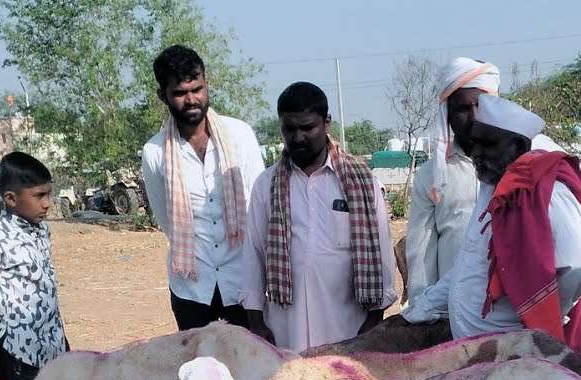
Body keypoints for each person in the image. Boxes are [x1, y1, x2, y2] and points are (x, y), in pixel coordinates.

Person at [395, 94, 581, 352]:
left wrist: (544, 313)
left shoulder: (548, 190)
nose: (476, 153)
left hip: (517, 351)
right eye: (475, 144)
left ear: (517, 146)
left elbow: (579, 268)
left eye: (488, 144)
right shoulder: (491, 185)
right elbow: (469, 263)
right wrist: (422, 309)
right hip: (478, 353)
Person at [239, 82, 397, 353]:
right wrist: (257, 324)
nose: (298, 137)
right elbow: (254, 255)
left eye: (307, 128)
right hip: (286, 331)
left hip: (348, 330)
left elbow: (382, 253)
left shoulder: (363, 182)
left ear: (326, 124)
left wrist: (373, 321)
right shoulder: (266, 185)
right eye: (290, 128)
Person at [141, 44, 265, 331]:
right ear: (164, 96)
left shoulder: (240, 135)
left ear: (207, 84)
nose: (191, 99)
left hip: (243, 279)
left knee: (250, 369)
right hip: (192, 287)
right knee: (198, 368)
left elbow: (259, 206)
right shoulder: (155, 151)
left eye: (197, 89)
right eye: (180, 93)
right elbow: (166, 220)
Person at [0, 151, 68, 380]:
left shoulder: (42, 231)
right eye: (39, 195)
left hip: (55, 348)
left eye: (48, 194)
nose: (47, 203)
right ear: (11, 199)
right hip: (20, 356)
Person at [403, 58, 500, 304]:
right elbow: (420, 257)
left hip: (507, 311)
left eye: (481, 105)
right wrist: (422, 310)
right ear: (447, 114)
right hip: (454, 312)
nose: (474, 116)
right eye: (463, 109)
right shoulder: (431, 176)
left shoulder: (518, 166)